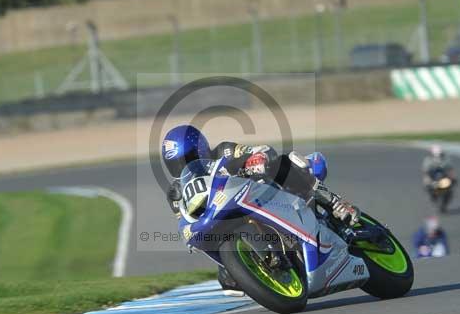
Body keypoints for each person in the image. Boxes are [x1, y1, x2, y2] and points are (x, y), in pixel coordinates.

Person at [161, 125, 383, 295]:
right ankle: (268, 268)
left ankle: (332, 202)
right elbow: (185, 219)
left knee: (284, 163)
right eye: (177, 164)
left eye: (189, 159)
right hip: (224, 217)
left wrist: (256, 159)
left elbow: (260, 151)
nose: (183, 167)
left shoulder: (224, 151)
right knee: (229, 280)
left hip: (266, 194)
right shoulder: (176, 192)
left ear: (201, 149)